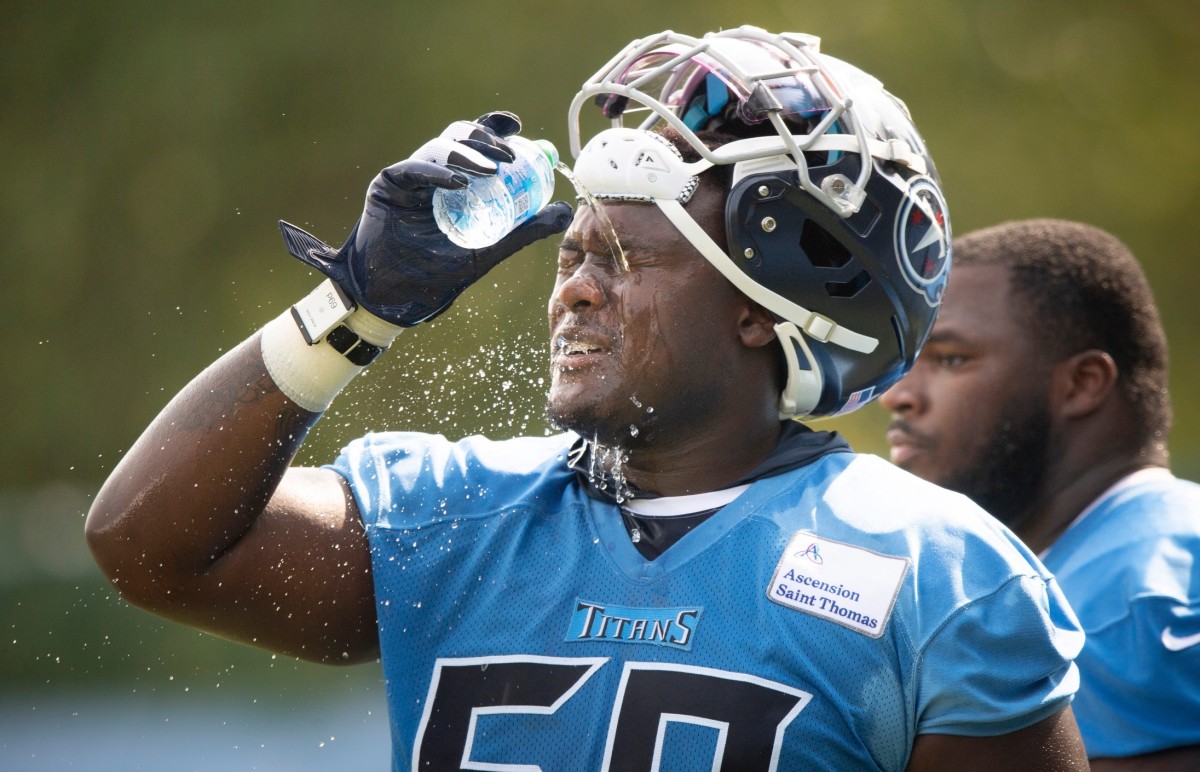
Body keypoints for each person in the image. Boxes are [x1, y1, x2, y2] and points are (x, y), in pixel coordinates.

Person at [87, 27, 1089, 769]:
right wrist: (353, 306)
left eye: (622, 259)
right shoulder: (451, 514)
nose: (572, 288)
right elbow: (147, 546)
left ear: (761, 308)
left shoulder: (936, 574)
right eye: (573, 255)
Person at [881, 218, 1200, 769]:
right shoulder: (1054, 572)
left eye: (951, 358)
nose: (898, 395)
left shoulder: (1146, 599)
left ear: (1081, 384)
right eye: (905, 360)